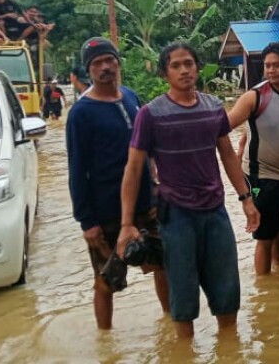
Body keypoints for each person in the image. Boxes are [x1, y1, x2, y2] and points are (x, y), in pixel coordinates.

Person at [118, 42, 260, 338]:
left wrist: (246, 199)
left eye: (189, 63)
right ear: (164, 73)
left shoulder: (213, 108)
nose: (184, 70)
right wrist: (127, 223)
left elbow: (228, 155)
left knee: (227, 294)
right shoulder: (151, 114)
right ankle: (185, 351)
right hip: (177, 218)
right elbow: (133, 169)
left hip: (215, 213)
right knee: (182, 300)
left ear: (197, 67)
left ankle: (229, 351)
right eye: (175, 65)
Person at [66, 36, 169, 329]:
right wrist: (87, 222)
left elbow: (147, 147)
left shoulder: (130, 96)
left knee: (163, 265)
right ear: (89, 70)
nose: (105, 67)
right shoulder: (81, 113)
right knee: (107, 279)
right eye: (97, 63)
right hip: (106, 211)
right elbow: (76, 170)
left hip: (146, 204)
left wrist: (156, 180)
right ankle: (105, 340)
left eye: (109, 60)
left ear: (117, 62)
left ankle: (171, 323)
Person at [226, 41, 279, 275]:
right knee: (264, 238)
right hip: (259, 177)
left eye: (277, 65)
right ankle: (264, 286)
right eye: (267, 66)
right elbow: (225, 126)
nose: (271, 70)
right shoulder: (254, 97)